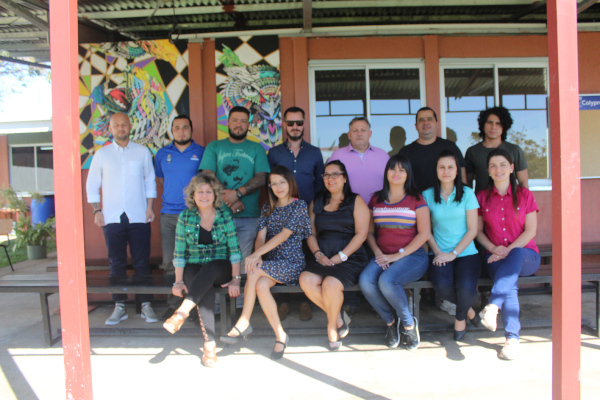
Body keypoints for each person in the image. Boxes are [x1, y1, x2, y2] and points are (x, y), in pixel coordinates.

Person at [220, 166, 311, 360]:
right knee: (260, 284)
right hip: (270, 265)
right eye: (274, 183)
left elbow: (284, 235)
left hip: (292, 264)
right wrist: (258, 254)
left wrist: (256, 256)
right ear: (269, 187)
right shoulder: (267, 208)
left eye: (282, 182)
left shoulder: (299, 205)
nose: (278, 187)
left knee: (253, 269)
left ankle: (244, 320)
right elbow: (260, 237)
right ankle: (280, 336)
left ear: (290, 183)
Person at [162, 174, 242, 368]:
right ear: (193, 195)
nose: (204, 195)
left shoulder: (224, 216)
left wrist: (236, 279)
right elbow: (179, 252)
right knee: (198, 280)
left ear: (215, 195)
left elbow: (234, 250)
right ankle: (209, 345)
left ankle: (181, 312)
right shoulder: (185, 217)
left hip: (220, 267)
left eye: (208, 192)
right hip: (195, 267)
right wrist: (178, 282)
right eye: (200, 192)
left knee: (212, 267)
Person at [86, 112, 158, 325]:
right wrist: (96, 211)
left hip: (139, 216)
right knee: (116, 262)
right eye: (116, 125)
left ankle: (145, 305)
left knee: (141, 262)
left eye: (124, 124)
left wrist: (150, 208)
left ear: (130, 126)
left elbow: (150, 181)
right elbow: (92, 184)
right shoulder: (102, 154)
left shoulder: (142, 152)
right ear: (110, 128)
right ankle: (120, 306)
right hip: (111, 217)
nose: (121, 128)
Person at [358, 154, 430, 350]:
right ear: (386, 172)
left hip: (412, 256)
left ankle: (408, 324)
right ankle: (391, 322)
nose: (396, 173)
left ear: (408, 174)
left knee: (387, 281)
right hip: (382, 255)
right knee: (365, 281)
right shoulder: (376, 198)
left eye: (402, 170)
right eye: (392, 169)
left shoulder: (416, 199)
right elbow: (370, 232)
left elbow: (424, 234)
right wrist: (378, 253)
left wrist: (397, 256)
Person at [476, 148, 540, 360]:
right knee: (508, 282)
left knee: (515, 258)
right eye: (493, 165)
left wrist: (508, 251)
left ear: (512, 168)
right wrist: (494, 249)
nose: (498, 169)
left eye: (503, 164)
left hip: (526, 256)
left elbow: (530, 231)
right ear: (488, 171)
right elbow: (477, 231)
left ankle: (493, 306)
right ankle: (512, 339)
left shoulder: (524, 195)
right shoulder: (482, 197)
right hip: (494, 256)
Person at [299, 160, 370, 350]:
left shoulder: (356, 201)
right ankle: (338, 318)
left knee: (330, 284)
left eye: (335, 174)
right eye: (326, 175)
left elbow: (361, 234)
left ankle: (331, 328)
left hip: (350, 256)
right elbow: (310, 233)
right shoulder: (318, 201)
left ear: (344, 178)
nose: (330, 179)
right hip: (323, 255)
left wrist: (341, 256)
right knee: (306, 279)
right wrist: (317, 254)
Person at [267, 106, 325, 322]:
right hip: (282, 214)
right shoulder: (274, 153)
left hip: (308, 214)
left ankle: (305, 301)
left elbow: (320, 185)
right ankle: (283, 301)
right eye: (290, 123)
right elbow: (269, 185)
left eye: (298, 123)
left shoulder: (315, 152)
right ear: (284, 125)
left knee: (307, 256)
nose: (294, 127)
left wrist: (316, 214)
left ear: (304, 124)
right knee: (282, 255)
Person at [199, 106, 270, 270]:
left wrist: (237, 194)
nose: (239, 124)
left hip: (249, 217)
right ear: (228, 123)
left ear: (248, 125)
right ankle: (218, 298)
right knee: (217, 264)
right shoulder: (214, 147)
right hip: (218, 216)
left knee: (244, 263)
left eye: (243, 121)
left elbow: (261, 178)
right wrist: (231, 200)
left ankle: (241, 297)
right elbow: (208, 175)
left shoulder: (256, 148)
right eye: (235, 120)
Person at [422, 150, 481, 341]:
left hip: (466, 253)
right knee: (442, 286)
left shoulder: (468, 194)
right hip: (440, 253)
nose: (446, 171)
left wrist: (454, 253)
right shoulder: (428, 195)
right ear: (436, 171)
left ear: (457, 171)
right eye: (442, 167)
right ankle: (470, 312)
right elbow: (426, 230)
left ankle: (460, 320)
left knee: (466, 288)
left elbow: (473, 229)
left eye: (450, 167)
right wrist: (439, 253)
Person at [155, 115, 205, 319]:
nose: (181, 131)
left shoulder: (201, 152)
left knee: (195, 261)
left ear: (191, 130)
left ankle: (194, 305)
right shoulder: (162, 153)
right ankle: (174, 304)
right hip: (168, 215)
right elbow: (160, 180)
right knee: (170, 261)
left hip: (195, 215)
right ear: (171, 131)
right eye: (177, 128)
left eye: (185, 127)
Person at [399, 107, 466, 192]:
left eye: (429, 119)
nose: (426, 122)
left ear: (436, 123)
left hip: (446, 203)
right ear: (416, 126)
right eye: (421, 120)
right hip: (415, 202)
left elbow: (462, 177)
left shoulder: (450, 147)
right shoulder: (405, 152)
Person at [465, 106, 529, 193]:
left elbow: (523, 182)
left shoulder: (514, 150)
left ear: (504, 127)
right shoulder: (472, 152)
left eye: (498, 123)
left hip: (510, 203)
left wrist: (525, 204)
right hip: (482, 204)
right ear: (483, 125)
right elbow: (467, 184)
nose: (493, 127)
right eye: (489, 123)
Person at [329, 117, 389, 203]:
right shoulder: (337, 156)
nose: (359, 134)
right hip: (347, 210)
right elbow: (329, 182)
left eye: (363, 130)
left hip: (379, 210)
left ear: (370, 134)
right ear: (349, 135)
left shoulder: (383, 155)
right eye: (355, 130)